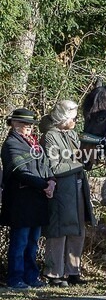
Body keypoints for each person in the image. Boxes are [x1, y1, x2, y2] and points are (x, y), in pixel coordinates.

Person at [2, 108, 56, 290]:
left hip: (37, 201)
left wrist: (51, 181)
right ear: (13, 124)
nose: (27, 127)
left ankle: (31, 276)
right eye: (23, 124)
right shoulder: (11, 144)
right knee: (20, 242)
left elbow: (46, 165)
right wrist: (44, 185)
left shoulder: (34, 144)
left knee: (33, 242)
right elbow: (20, 171)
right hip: (21, 202)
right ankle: (15, 278)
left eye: (30, 124)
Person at [42, 101, 94, 287]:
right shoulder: (50, 137)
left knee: (78, 229)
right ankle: (54, 273)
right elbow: (54, 166)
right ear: (63, 118)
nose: (75, 120)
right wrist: (80, 164)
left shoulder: (72, 134)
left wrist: (88, 158)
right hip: (61, 190)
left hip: (79, 188)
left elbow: (80, 156)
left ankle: (73, 272)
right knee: (58, 232)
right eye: (72, 117)